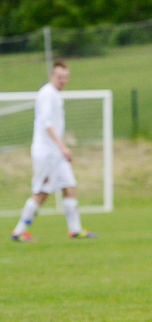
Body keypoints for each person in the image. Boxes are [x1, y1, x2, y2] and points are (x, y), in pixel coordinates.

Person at [11, 59, 96, 241]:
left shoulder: (56, 95)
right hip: (47, 153)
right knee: (42, 192)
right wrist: (62, 146)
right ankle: (19, 231)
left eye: (65, 77)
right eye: (59, 76)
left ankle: (75, 229)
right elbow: (46, 123)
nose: (63, 80)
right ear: (51, 76)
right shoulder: (47, 94)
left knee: (69, 186)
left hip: (56, 152)